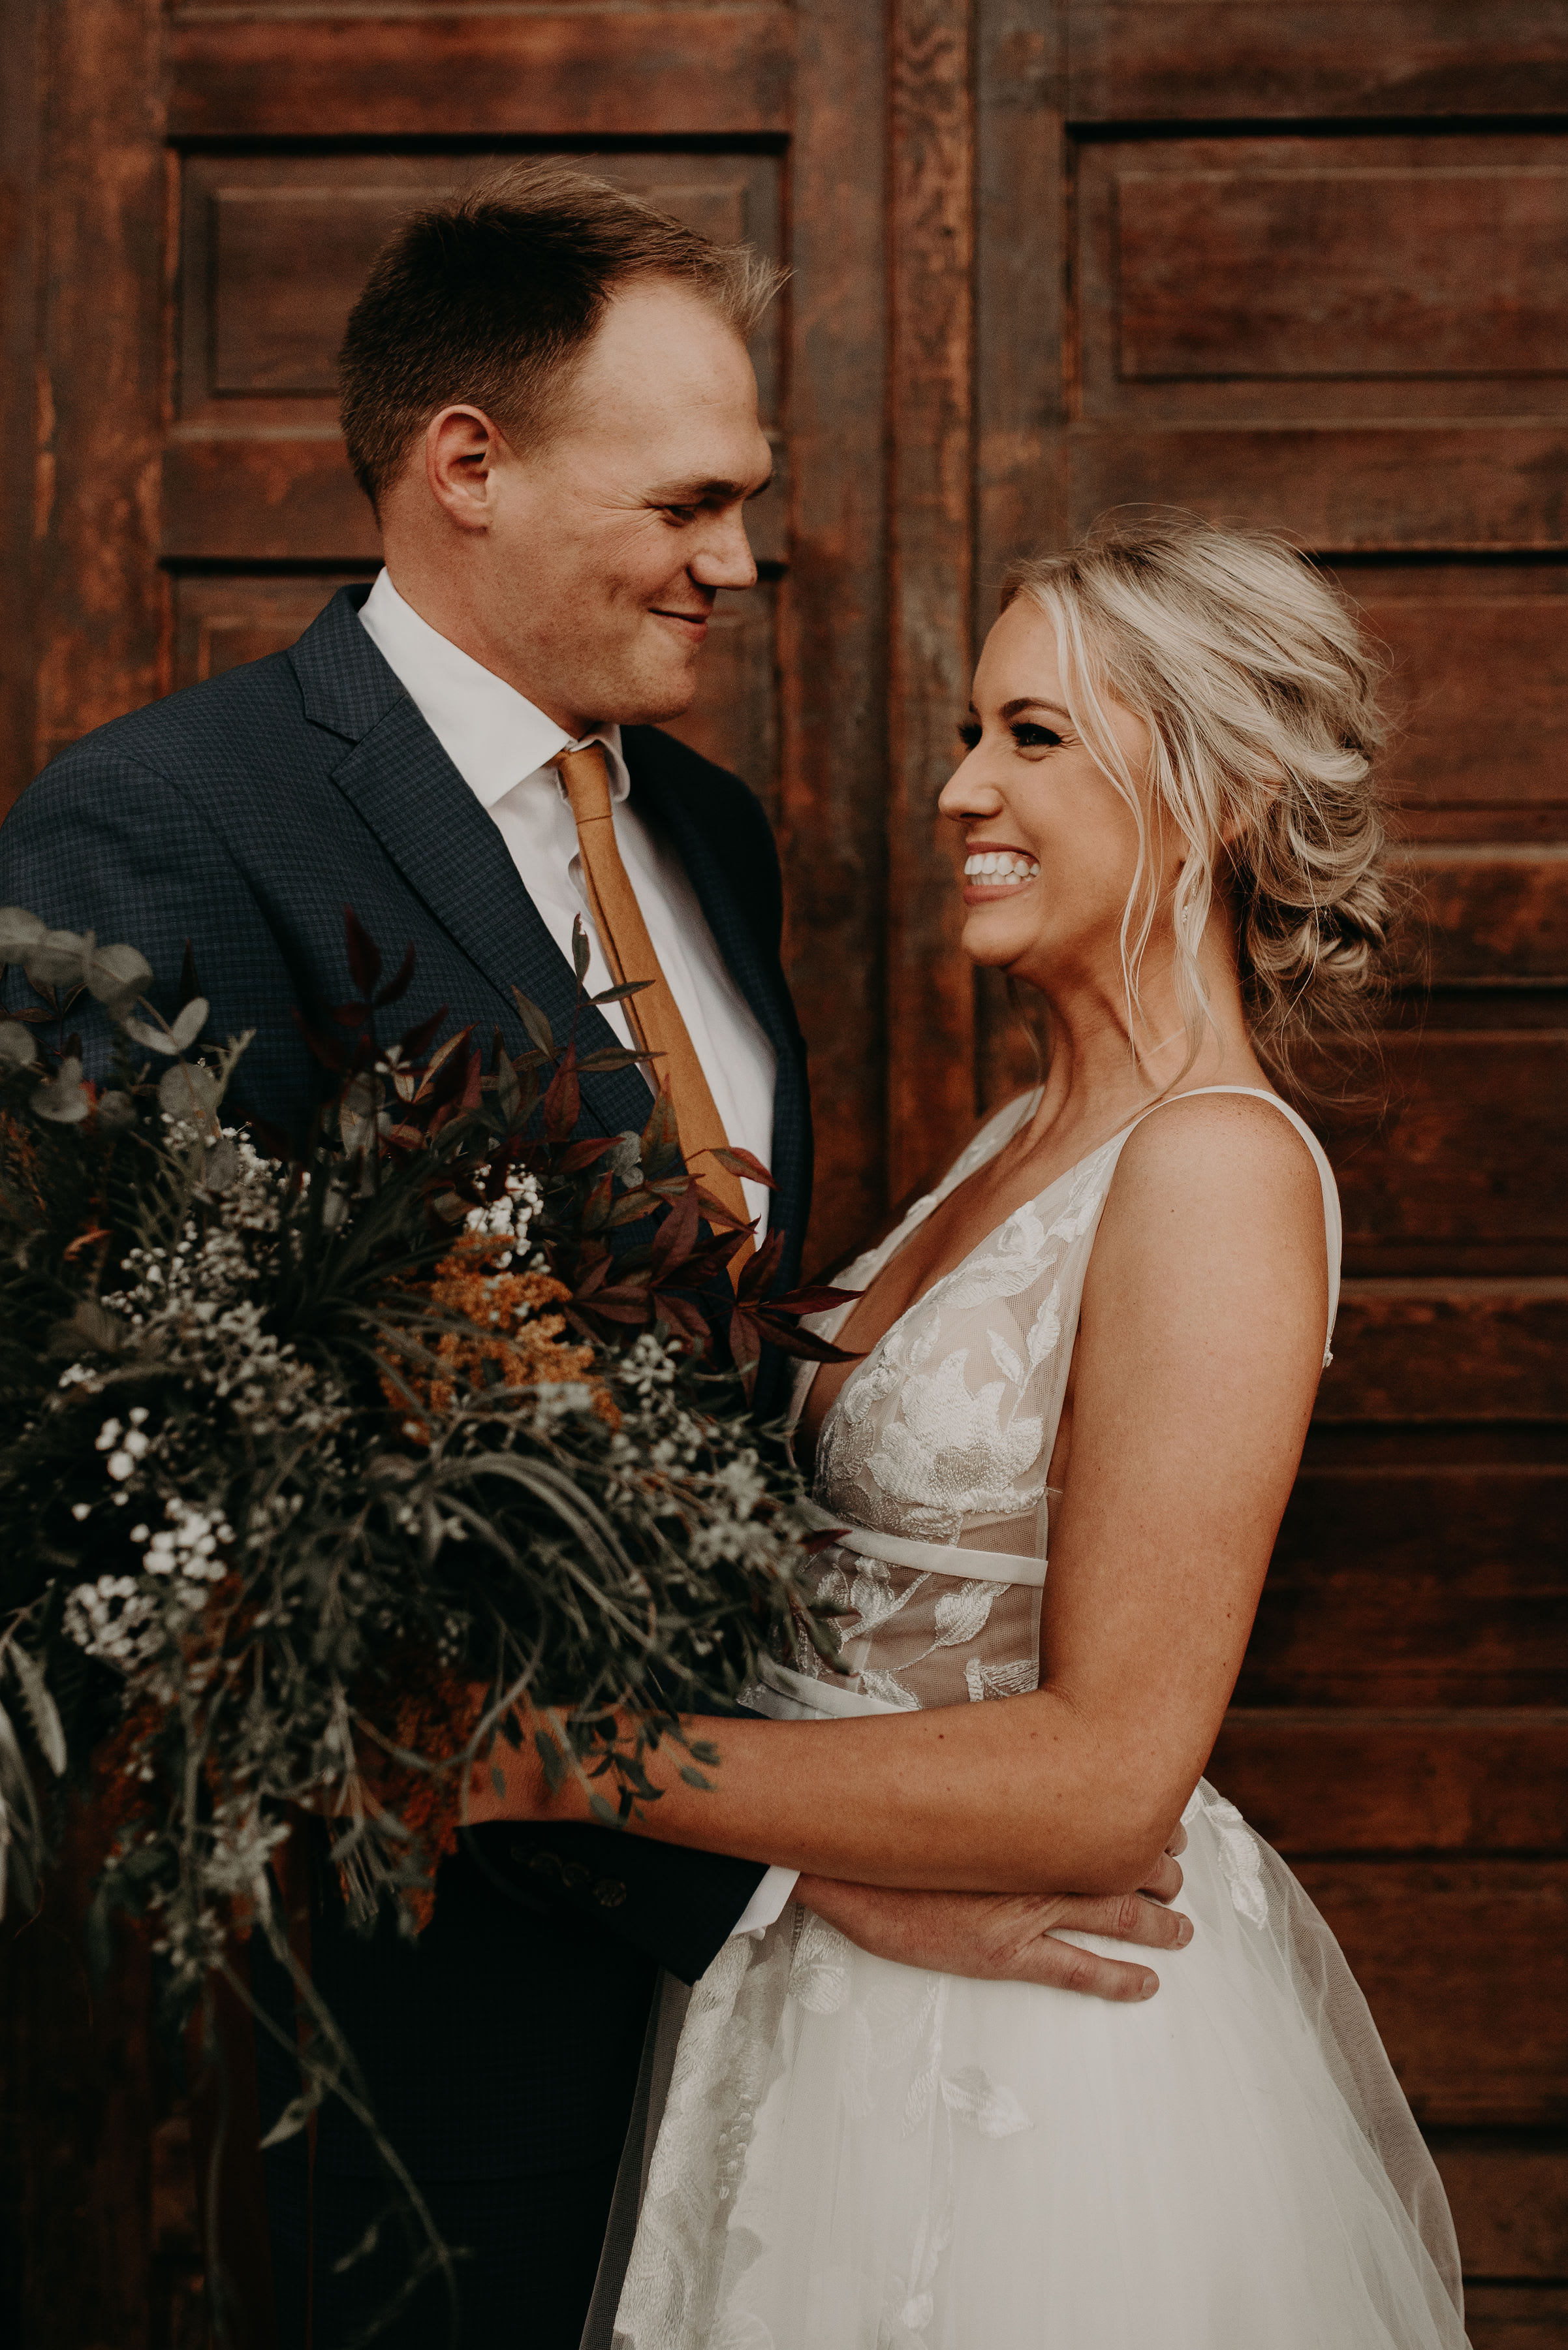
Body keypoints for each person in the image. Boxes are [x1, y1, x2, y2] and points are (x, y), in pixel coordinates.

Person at [0, 167, 1188, 2347]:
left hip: (819, 1999)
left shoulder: (704, 831)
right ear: (469, 465)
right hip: (441, 1999)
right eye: (689, 502)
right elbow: (129, 1511)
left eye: (744, 504)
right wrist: (750, 1872)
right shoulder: (166, 829)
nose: (738, 560)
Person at [477, 517, 1471, 2348]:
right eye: (967, 732)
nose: (957, 790)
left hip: (1015, 2064)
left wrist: (567, 1764)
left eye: (1034, 736)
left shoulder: (1213, 1169)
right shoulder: (1019, 1137)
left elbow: (1108, 1777)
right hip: (823, 1973)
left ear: (1222, 795)